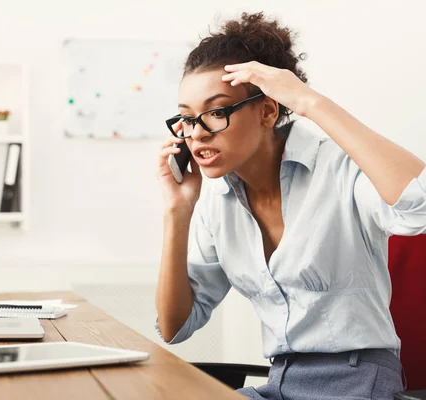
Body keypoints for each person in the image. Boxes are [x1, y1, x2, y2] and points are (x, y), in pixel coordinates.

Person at [155, 11, 426, 399]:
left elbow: (420, 204)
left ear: (267, 110)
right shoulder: (219, 203)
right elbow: (174, 326)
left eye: (215, 112)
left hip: (359, 384)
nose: (196, 133)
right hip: (282, 383)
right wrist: (176, 211)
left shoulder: (338, 169)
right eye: (186, 118)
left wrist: (308, 101)